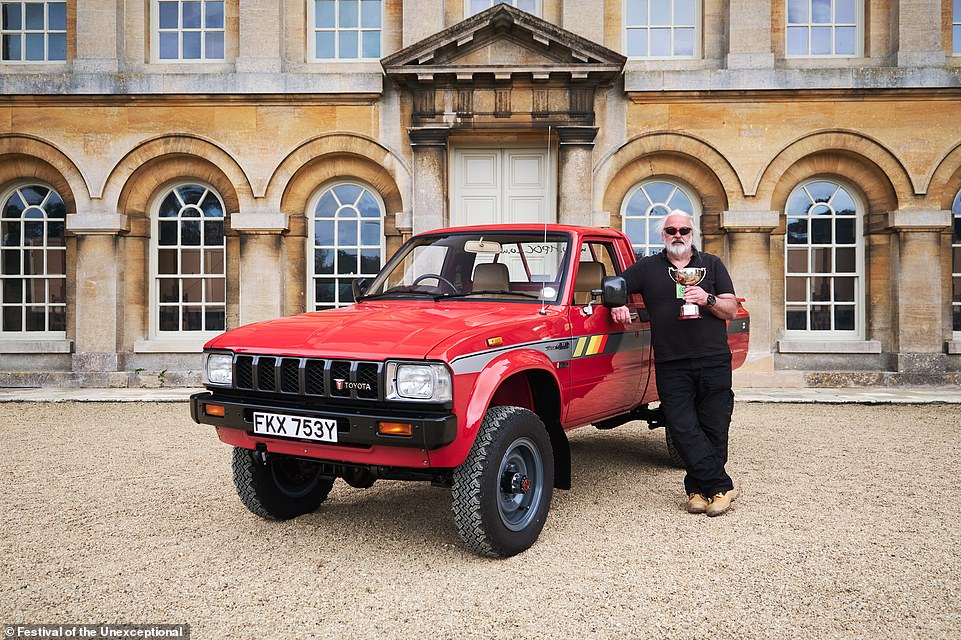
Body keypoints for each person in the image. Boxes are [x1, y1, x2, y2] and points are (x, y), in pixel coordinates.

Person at [611, 209, 740, 517]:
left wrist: (706, 299)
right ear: (663, 235)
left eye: (684, 230)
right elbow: (615, 285)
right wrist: (616, 303)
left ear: (692, 233)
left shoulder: (711, 265)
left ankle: (699, 489)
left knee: (714, 425)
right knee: (682, 426)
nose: (678, 235)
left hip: (713, 360)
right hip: (672, 362)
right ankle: (722, 486)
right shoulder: (648, 268)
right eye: (672, 231)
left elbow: (731, 309)